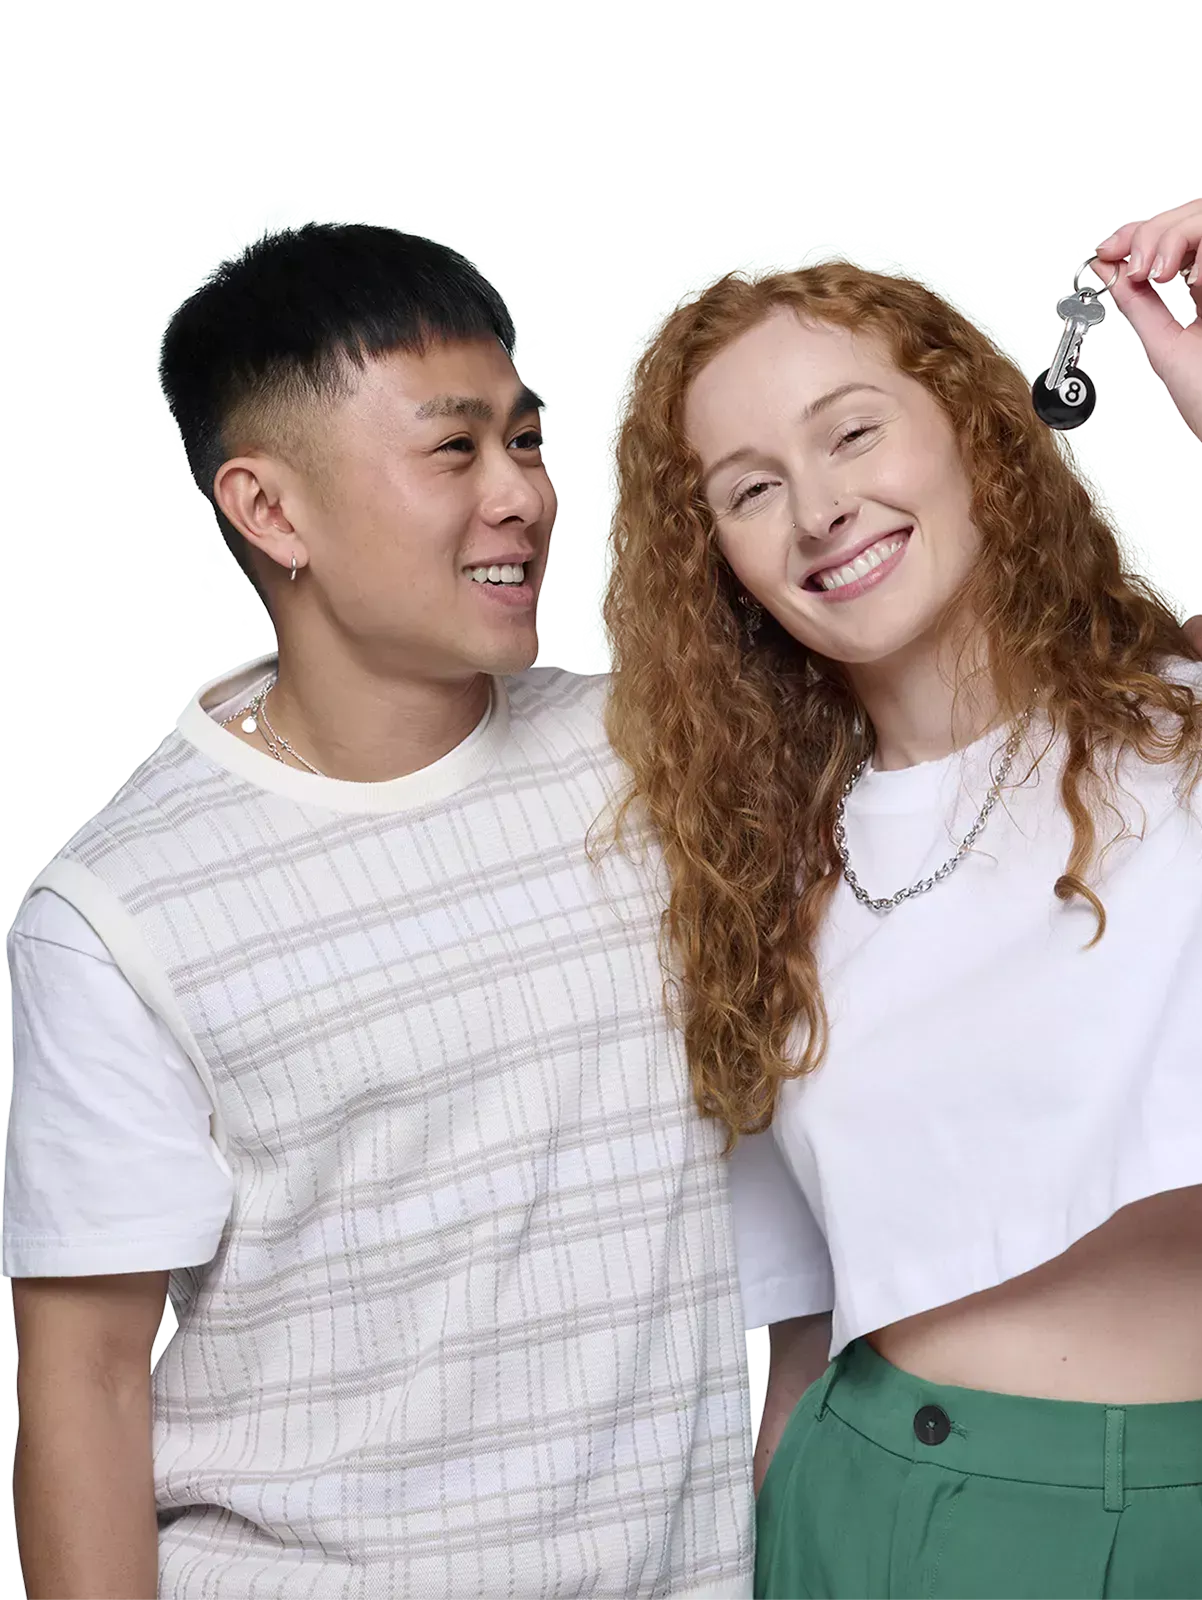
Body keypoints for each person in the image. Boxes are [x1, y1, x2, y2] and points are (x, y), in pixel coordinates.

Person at [591, 221, 1202, 1596]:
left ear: (977, 432)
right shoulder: (766, 865)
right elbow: (816, 1330)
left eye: (854, 433)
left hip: (1131, 1526)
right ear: (721, 564)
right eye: (749, 489)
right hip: (837, 1506)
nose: (818, 508)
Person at [2, 219, 758, 1598]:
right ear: (271, 511)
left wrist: (1200, 647)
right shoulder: (119, 910)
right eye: (453, 449)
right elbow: (85, 1385)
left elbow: (947, 729)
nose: (523, 496)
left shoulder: (652, 754)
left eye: (524, 442)